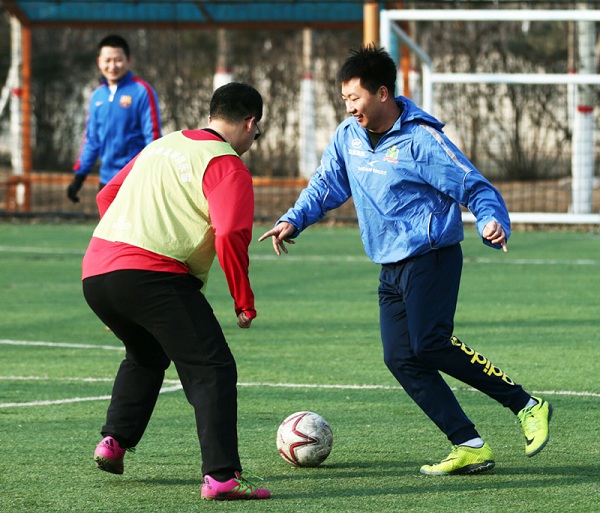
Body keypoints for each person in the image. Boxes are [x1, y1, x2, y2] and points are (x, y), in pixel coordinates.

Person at [259, 44, 553, 476]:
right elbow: (325, 185)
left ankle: (527, 405)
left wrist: (492, 221)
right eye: (345, 100)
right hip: (389, 264)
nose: (350, 108)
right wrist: (293, 219)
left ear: (382, 93)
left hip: (430, 256)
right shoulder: (348, 137)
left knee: (429, 342)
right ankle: (468, 444)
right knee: (400, 357)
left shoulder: (422, 140)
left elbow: (474, 186)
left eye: (355, 98)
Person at [82, 82, 270, 500]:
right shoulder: (227, 164)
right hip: (153, 276)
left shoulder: (163, 145)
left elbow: (106, 194)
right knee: (213, 368)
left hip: (96, 272)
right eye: (256, 134)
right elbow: (230, 233)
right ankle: (222, 477)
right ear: (250, 123)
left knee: (147, 353)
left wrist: (120, 278)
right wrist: (243, 301)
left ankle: (114, 442)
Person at [67, 34, 162, 203]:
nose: (112, 66)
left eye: (118, 60)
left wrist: (152, 173)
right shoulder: (97, 96)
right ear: (99, 62)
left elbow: (153, 137)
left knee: (133, 229)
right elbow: (92, 140)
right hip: (107, 180)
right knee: (107, 230)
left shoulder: (142, 91)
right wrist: (79, 176)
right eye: (107, 60)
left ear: (128, 60)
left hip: (135, 177)